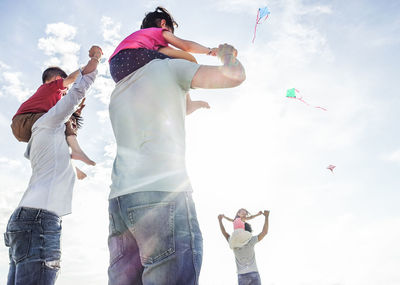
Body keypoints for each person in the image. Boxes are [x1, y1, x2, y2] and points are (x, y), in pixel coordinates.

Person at [107, 8, 246, 282]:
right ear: (163, 27)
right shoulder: (168, 65)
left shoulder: (119, 89)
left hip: (120, 203)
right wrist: (225, 54)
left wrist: (188, 105)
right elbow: (234, 76)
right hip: (162, 194)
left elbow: (156, 110)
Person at [3, 49, 100, 285]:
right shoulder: (50, 117)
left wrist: (74, 168)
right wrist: (95, 60)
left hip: (24, 220)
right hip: (39, 219)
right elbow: (77, 90)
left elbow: (53, 159)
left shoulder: (40, 135)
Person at [11, 46, 103, 178]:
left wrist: (77, 113)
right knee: (62, 120)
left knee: (57, 137)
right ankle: (75, 151)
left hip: (27, 131)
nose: (66, 90)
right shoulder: (51, 87)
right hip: (24, 120)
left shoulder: (52, 102)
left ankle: (69, 164)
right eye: (66, 88)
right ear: (57, 79)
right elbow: (72, 77)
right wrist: (88, 65)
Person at [109, 6, 215, 114]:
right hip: (134, 56)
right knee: (183, 62)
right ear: (163, 24)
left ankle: (182, 103)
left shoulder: (144, 38)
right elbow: (186, 46)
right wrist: (210, 51)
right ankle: (187, 103)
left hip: (116, 70)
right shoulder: (159, 32)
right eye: (171, 32)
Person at [218, 210, 270, 285]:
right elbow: (264, 232)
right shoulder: (250, 240)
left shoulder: (233, 243)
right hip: (253, 273)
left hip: (242, 276)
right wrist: (266, 217)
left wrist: (220, 221)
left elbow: (224, 232)